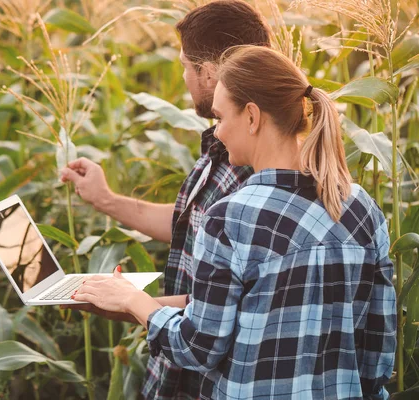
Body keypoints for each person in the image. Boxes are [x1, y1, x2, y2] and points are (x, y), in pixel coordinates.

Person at [72, 45, 396, 399]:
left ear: (253, 117)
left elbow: (197, 348)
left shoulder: (231, 218)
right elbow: (377, 356)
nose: (219, 132)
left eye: (221, 117)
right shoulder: (363, 208)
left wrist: (133, 300)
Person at [61, 1, 271, 398]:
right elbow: (189, 227)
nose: (183, 78)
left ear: (208, 73)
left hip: (206, 376)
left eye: (185, 67)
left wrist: (131, 304)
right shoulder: (223, 144)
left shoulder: (254, 165)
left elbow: (233, 301)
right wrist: (105, 200)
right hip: (177, 361)